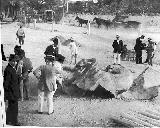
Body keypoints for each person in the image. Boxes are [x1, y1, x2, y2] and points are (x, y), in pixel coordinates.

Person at [3, 54, 20, 126]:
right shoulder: (9, 70)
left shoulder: (11, 68)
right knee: (14, 108)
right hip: (12, 92)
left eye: (16, 61)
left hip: (13, 92)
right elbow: (6, 83)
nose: (15, 63)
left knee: (10, 107)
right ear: (10, 61)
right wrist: (7, 93)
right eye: (13, 61)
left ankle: (7, 120)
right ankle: (14, 122)